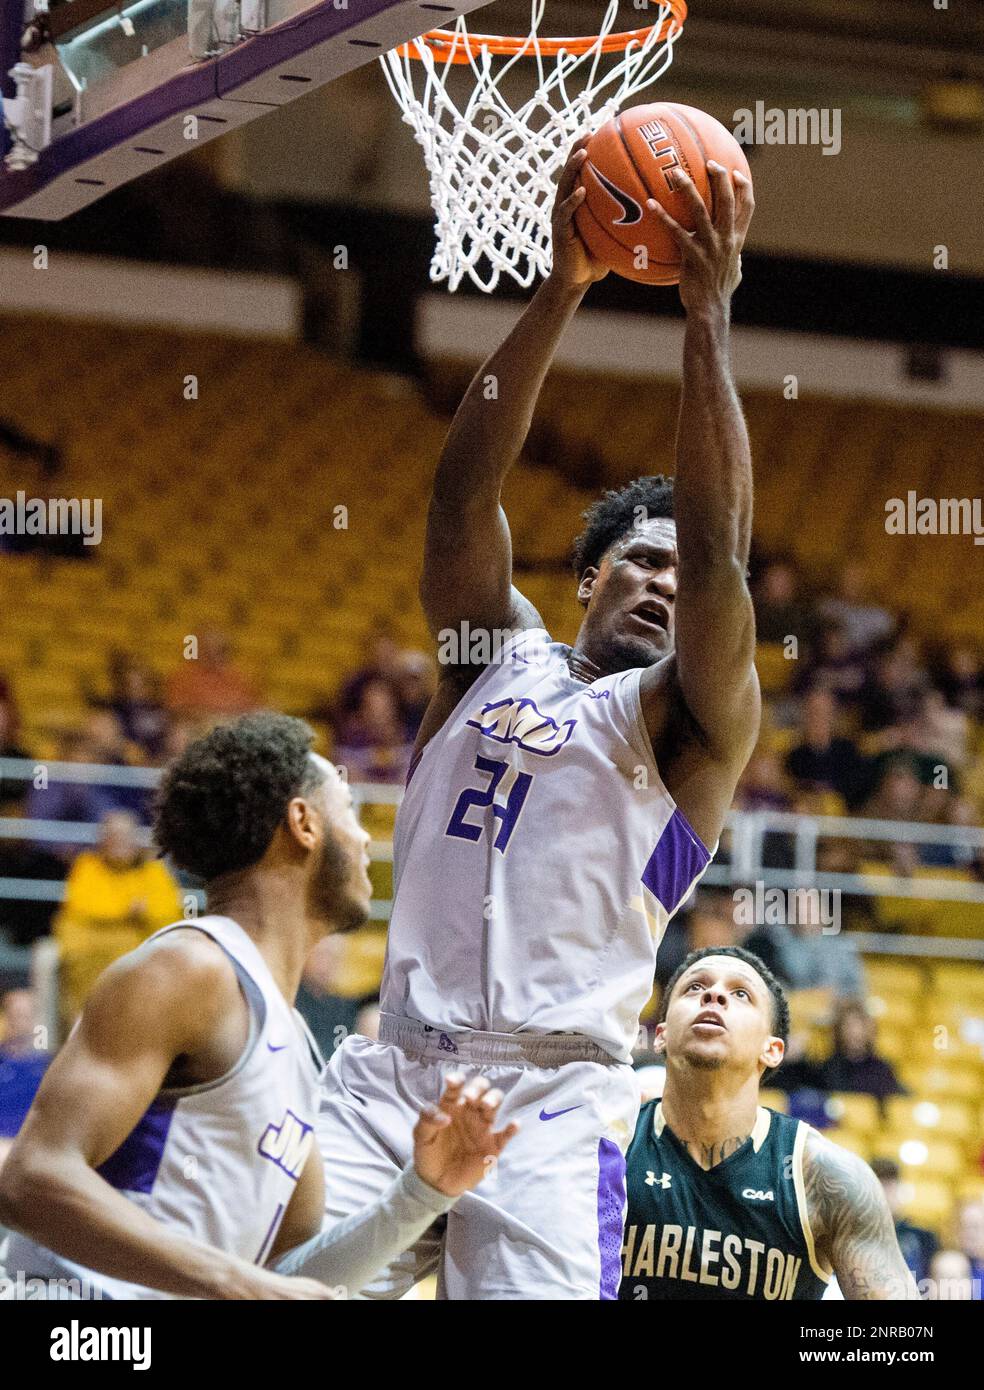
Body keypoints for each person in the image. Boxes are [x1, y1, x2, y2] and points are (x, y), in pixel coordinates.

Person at [315, 146, 761, 1300]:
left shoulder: (691, 727)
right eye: (639, 560)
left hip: (559, 1104)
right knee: (264, 1295)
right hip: (394, 1069)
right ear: (585, 579)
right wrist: (562, 288)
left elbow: (719, 556)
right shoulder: (485, 661)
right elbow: (462, 498)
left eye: (680, 568)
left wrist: (705, 323)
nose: (666, 580)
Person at [0, 713, 515, 1299]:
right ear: (303, 822)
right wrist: (234, 1282)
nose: (368, 836)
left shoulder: (295, 1046)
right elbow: (31, 1178)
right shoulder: (191, 967)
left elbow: (285, 1280)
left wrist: (424, 1192)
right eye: (348, 809)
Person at [619, 947, 918, 1300]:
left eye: (741, 994)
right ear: (662, 1034)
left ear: (772, 1049)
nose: (714, 995)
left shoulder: (826, 1177)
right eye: (695, 988)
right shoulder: (609, 1147)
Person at [55, 810, 184, 1025]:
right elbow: (77, 912)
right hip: (93, 946)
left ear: (135, 840)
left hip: (143, 946)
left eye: (125, 837)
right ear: (103, 840)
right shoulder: (87, 865)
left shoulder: (154, 870)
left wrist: (144, 914)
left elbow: (170, 915)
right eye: (113, 836)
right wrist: (126, 913)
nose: (119, 843)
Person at [815, 1001, 904, 1103]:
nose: (855, 1032)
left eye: (860, 1026)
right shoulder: (828, 1068)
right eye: (848, 1026)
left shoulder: (882, 1069)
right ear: (839, 1030)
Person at [870, 1157, 937, 1287]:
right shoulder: (853, 1235)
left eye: (889, 1186)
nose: (884, 1194)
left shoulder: (923, 1237)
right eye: (879, 1186)